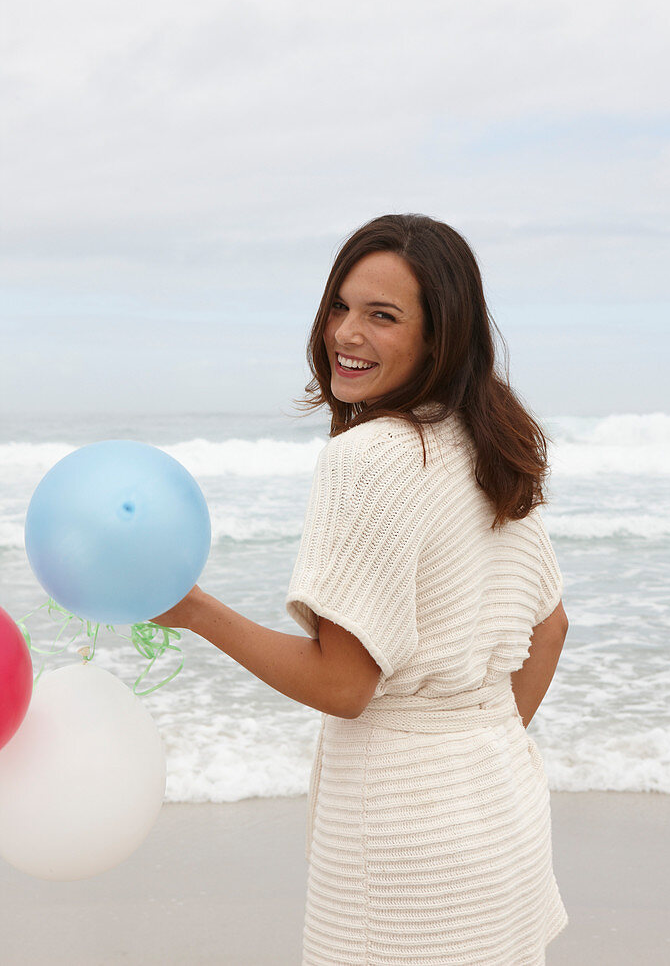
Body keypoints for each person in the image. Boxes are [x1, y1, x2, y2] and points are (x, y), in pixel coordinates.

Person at [153, 212, 570, 965]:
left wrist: (195, 610)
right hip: (500, 802)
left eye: (382, 316)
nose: (346, 334)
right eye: (340, 307)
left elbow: (344, 685)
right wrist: (473, 736)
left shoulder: (369, 459)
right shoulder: (485, 440)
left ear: (437, 337)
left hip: (408, 840)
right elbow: (549, 628)